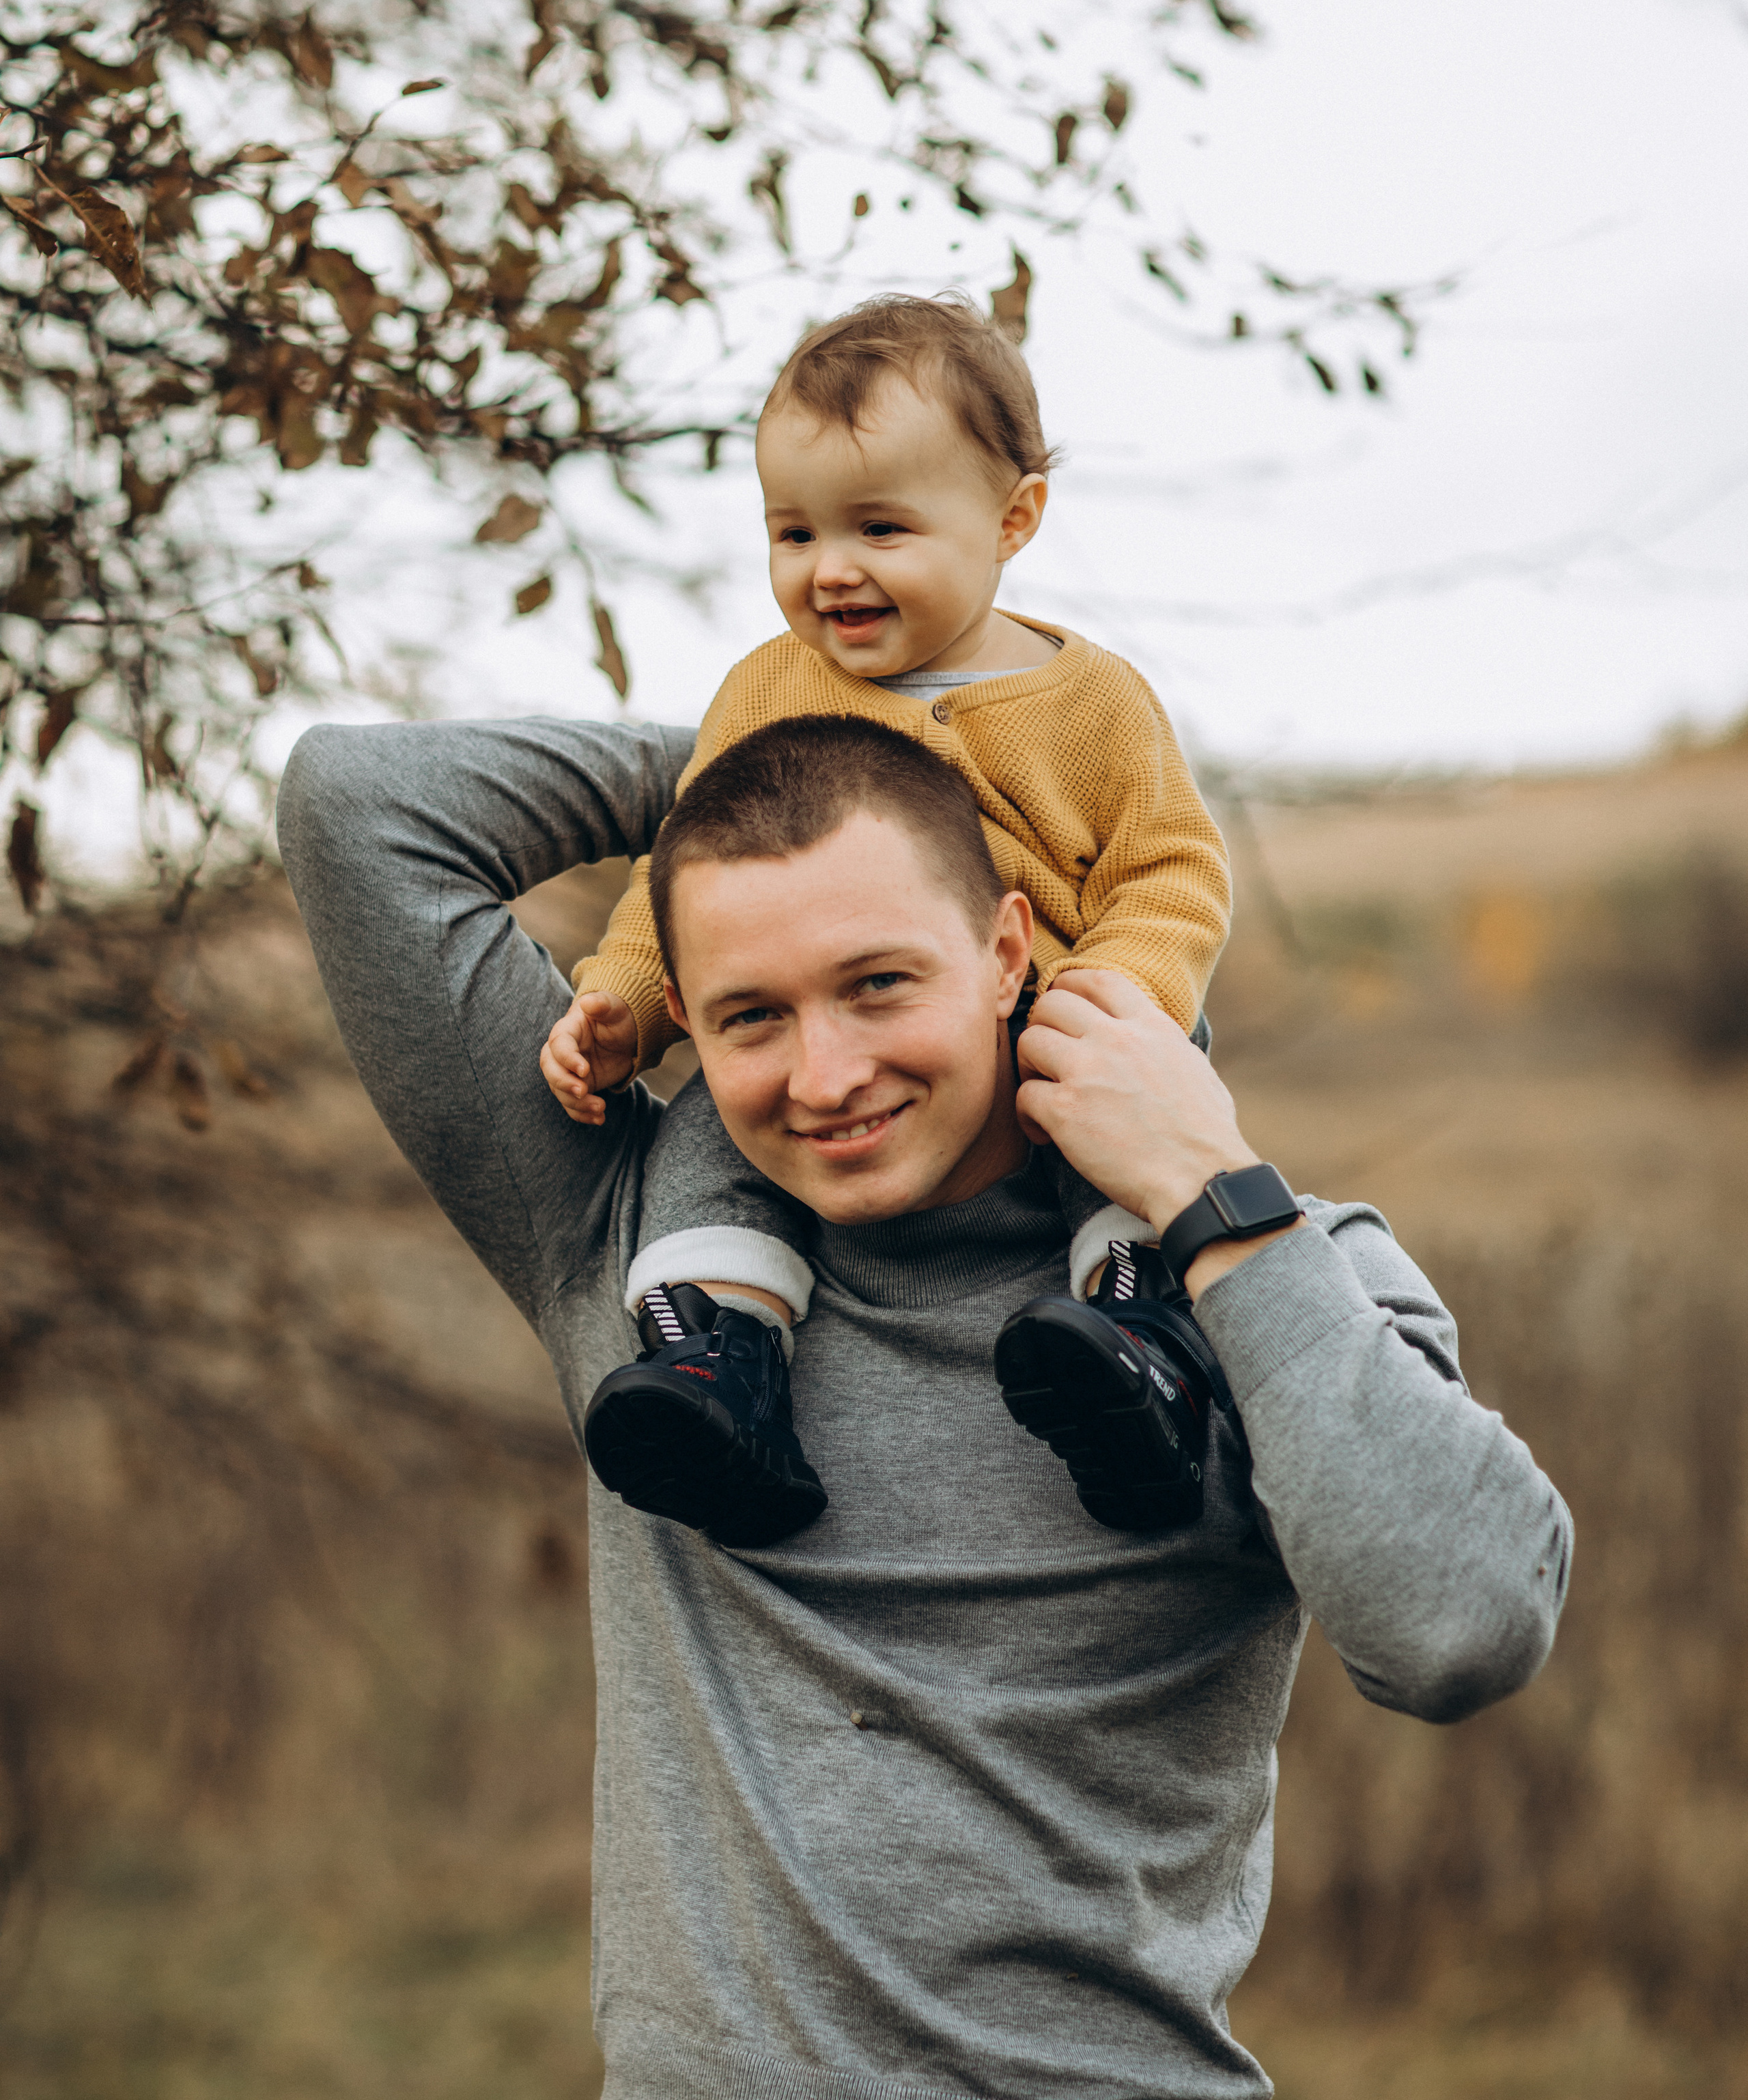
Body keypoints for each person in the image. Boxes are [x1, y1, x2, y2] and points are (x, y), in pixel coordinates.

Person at [278, 705, 1572, 2100]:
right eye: (749, 1016)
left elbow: (1463, 1628)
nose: (824, 1077)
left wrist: (1217, 1205)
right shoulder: (643, 1251)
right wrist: (783, 733)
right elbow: (357, 801)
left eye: (878, 982)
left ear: (1008, 948)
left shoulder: (1253, 1270)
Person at [539, 294, 1233, 1543]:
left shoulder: (1093, 703)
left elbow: (1172, 867)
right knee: (709, 1132)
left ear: (1013, 519)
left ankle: (1138, 1355)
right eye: (792, 532)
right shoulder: (766, 689)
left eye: (880, 527)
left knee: (1130, 1124)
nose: (830, 569)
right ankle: (721, 1372)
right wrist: (627, 1000)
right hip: (830, 1018)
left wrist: (1123, 995)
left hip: (1068, 1007)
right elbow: (687, 878)